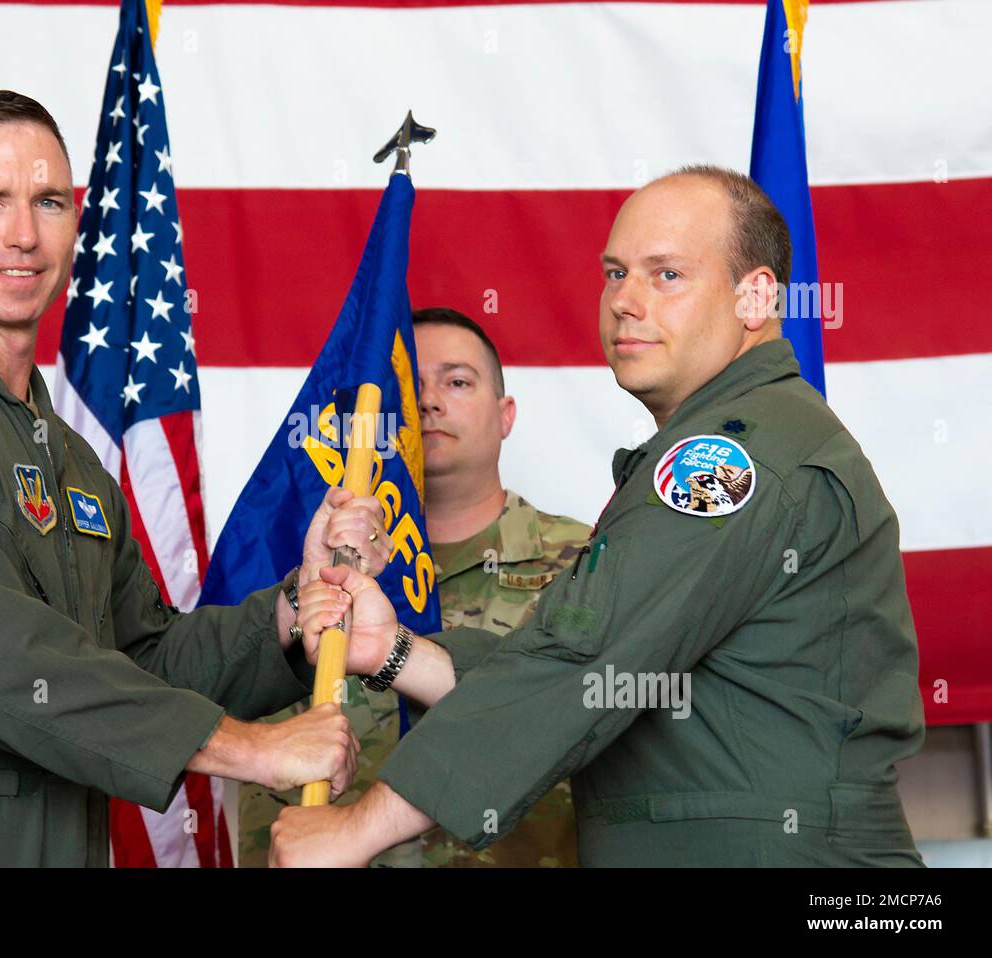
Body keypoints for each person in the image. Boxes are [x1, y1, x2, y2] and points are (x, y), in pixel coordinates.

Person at [0, 90, 389, 867]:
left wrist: (294, 606)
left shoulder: (69, 458)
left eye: (50, 201)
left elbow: (144, 659)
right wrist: (254, 752)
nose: (24, 235)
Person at [270, 165, 926, 868]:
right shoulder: (733, 437)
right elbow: (614, 677)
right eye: (616, 274)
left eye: (666, 275)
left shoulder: (732, 456)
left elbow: (579, 666)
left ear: (756, 296)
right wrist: (399, 652)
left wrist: (356, 830)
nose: (625, 302)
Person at [238, 309, 590, 867]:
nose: (428, 402)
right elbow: (273, 793)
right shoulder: (318, 581)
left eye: (457, 381)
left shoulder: (587, 565)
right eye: (411, 387)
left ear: (506, 415)